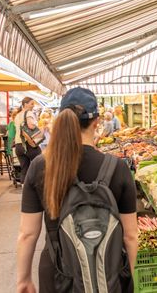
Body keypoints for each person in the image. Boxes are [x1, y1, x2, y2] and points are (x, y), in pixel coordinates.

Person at [16, 87, 137, 293]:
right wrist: (127, 278)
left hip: (57, 274)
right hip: (109, 275)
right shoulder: (117, 168)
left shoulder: (40, 166)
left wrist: (24, 279)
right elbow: (131, 236)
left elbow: (28, 234)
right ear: (96, 121)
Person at [14, 97, 41, 184]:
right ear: (25, 104)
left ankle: (25, 190)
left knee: (24, 169)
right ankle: (40, 188)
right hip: (28, 145)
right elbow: (31, 126)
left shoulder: (17, 115)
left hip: (18, 146)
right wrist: (39, 127)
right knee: (41, 165)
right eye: (31, 104)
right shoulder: (29, 113)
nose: (33, 106)